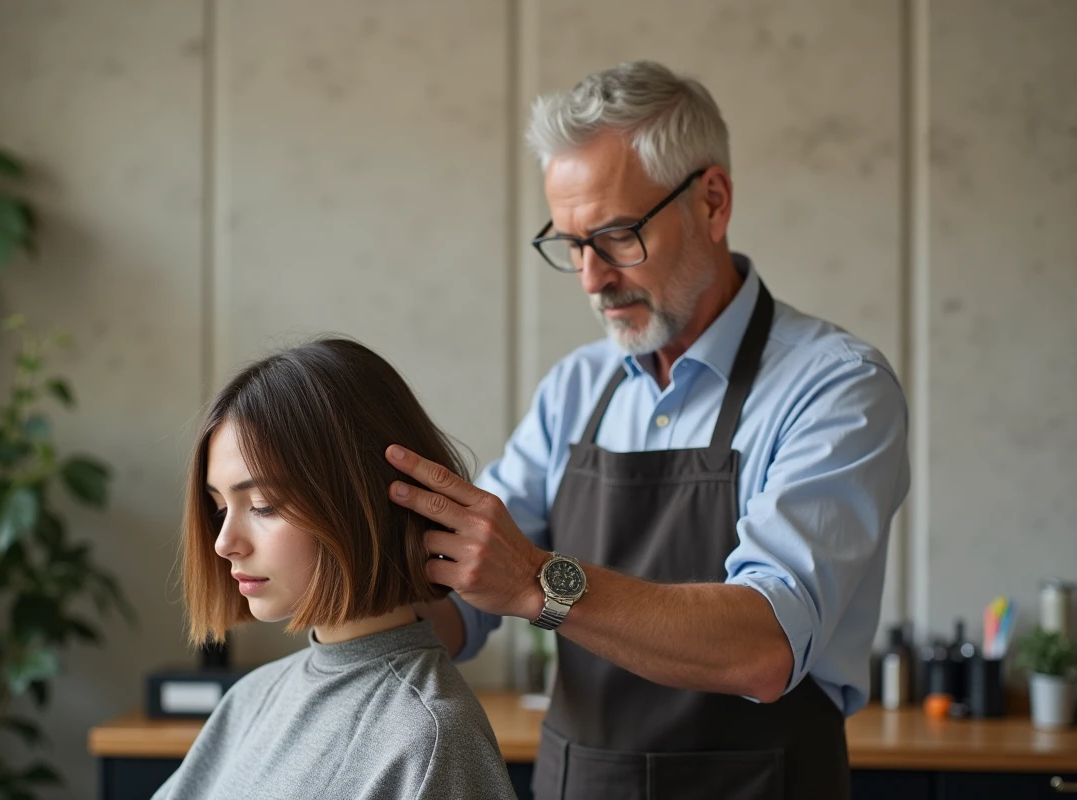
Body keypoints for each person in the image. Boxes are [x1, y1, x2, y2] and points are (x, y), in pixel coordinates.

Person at [390, 61, 911, 799]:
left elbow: (766, 643)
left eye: (617, 236)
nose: (592, 279)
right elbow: (463, 607)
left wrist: (539, 581)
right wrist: (354, 590)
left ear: (713, 201)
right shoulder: (575, 388)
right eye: (570, 245)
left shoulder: (837, 388)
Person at [152, 338, 517, 800]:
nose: (224, 543)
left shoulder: (428, 740)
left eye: (262, 506)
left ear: (361, 502)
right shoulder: (251, 700)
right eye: (220, 508)